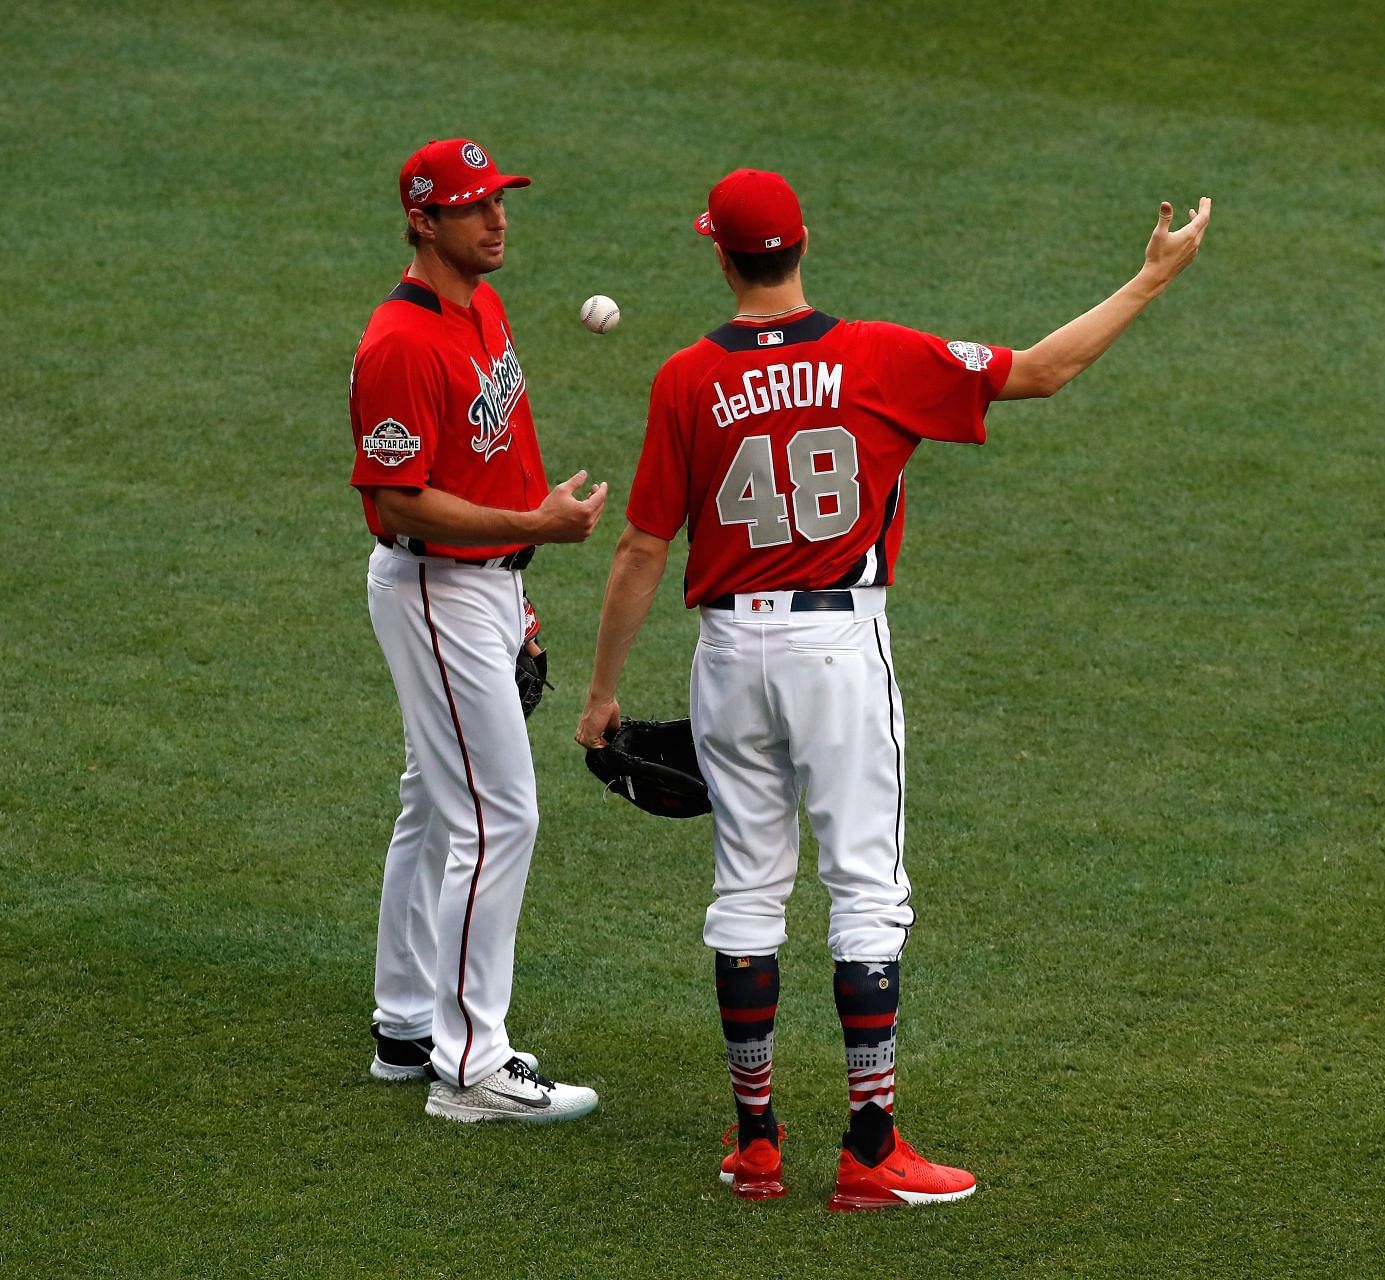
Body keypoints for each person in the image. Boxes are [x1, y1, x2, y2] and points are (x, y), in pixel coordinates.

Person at [576, 169, 1211, 1206]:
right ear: (803, 243)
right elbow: (1043, 370)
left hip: (730, 653)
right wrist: (1148, 280)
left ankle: (755, 1142)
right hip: (838, 650)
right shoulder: (875, 354)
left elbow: (642, 547)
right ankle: (871, 1148)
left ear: (720, 253)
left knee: (746, 891)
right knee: (864, 889)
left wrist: (602, 695)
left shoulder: (685, 377)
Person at [351, 137, 608, 1124]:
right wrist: (534, 530)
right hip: (433, 586)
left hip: (484, 587)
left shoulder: (484, 306)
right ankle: (474, 1068)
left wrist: (521, 591)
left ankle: (408, 1026)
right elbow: (400, 501)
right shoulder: (400, 344)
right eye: (472, 208)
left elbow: (488, 464)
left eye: (499, 201)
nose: (496, 220)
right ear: (423, 220)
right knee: (499, 814)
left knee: (435, 800)